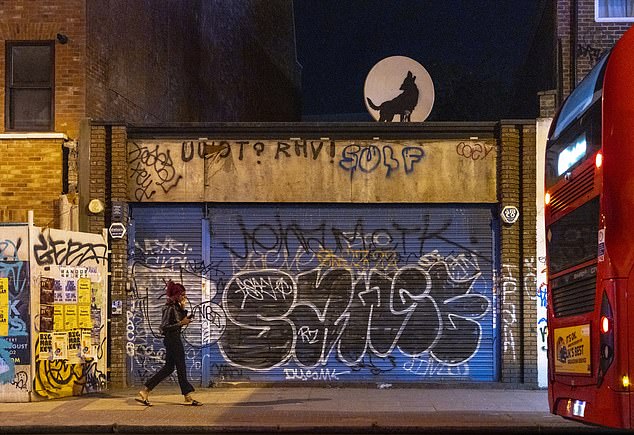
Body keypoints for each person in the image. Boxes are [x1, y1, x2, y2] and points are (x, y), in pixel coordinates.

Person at [136, 280, 202, 406]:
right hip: (172, 340)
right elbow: (164, 327)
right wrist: (181, 323)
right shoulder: (168, 308)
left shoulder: (176, 307)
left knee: (169, 368)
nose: (185, 297)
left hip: (174, 338)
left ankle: (145, 390)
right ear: (176, 295)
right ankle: (187, 396)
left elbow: (180, 320)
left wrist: (183, 310)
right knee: (181, 367)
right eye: (182, 294)